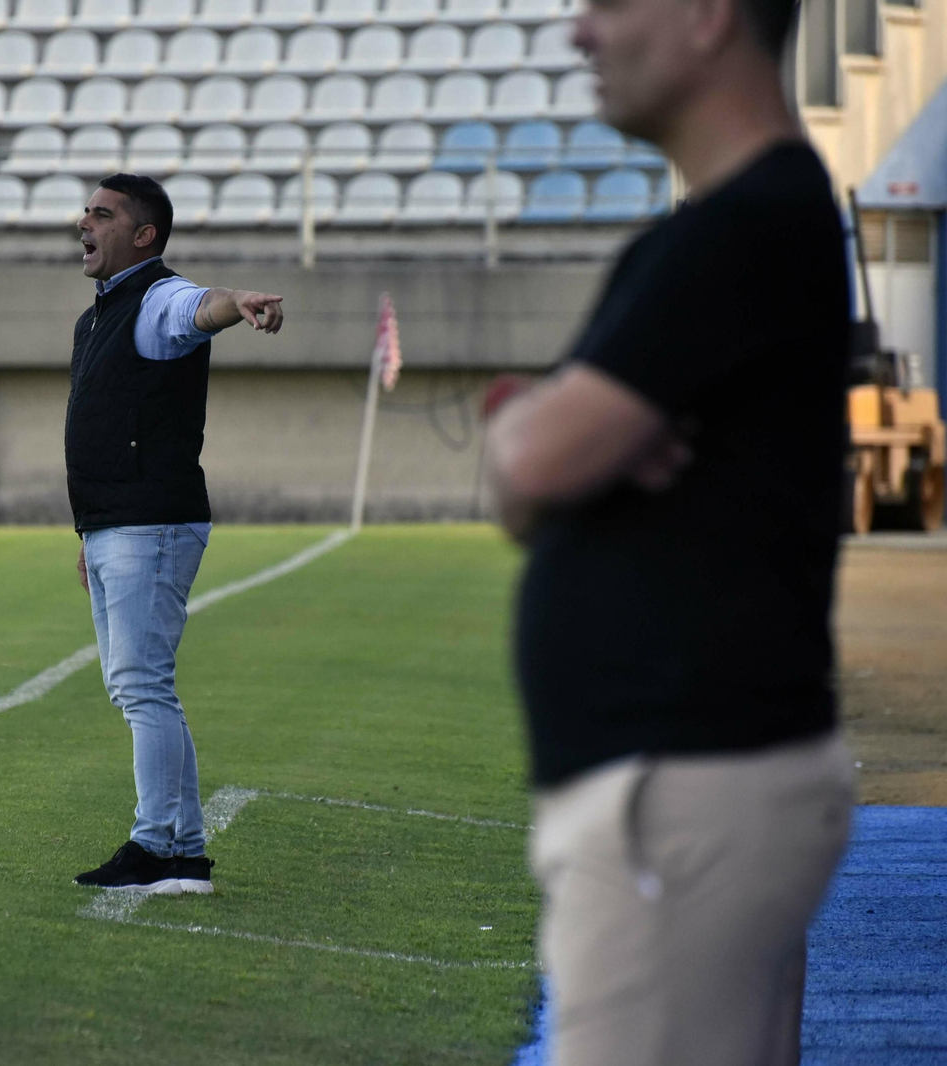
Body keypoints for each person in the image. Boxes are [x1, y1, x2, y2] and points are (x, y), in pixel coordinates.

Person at [482, 0, 854, 1058]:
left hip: (681, 795)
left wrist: (535, 422)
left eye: (608, 2)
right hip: (695, 783)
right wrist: (544, 424)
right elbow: (531, 477)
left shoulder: (741, 228)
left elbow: (530, 466)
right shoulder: (735, 225)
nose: (580, 33)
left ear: (704, 16)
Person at [67, 173, 285, 896]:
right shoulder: (95, 318)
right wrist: (91, 533)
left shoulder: (157, 297)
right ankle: (183, 852)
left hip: (149, 522)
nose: (84, 223)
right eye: (86, 211)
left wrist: (236, 302)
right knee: (140, 686)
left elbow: (198, 307)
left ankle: (156, 845)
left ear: (144, 235)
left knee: (142, 687)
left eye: (102, 214)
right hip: (117, 524)